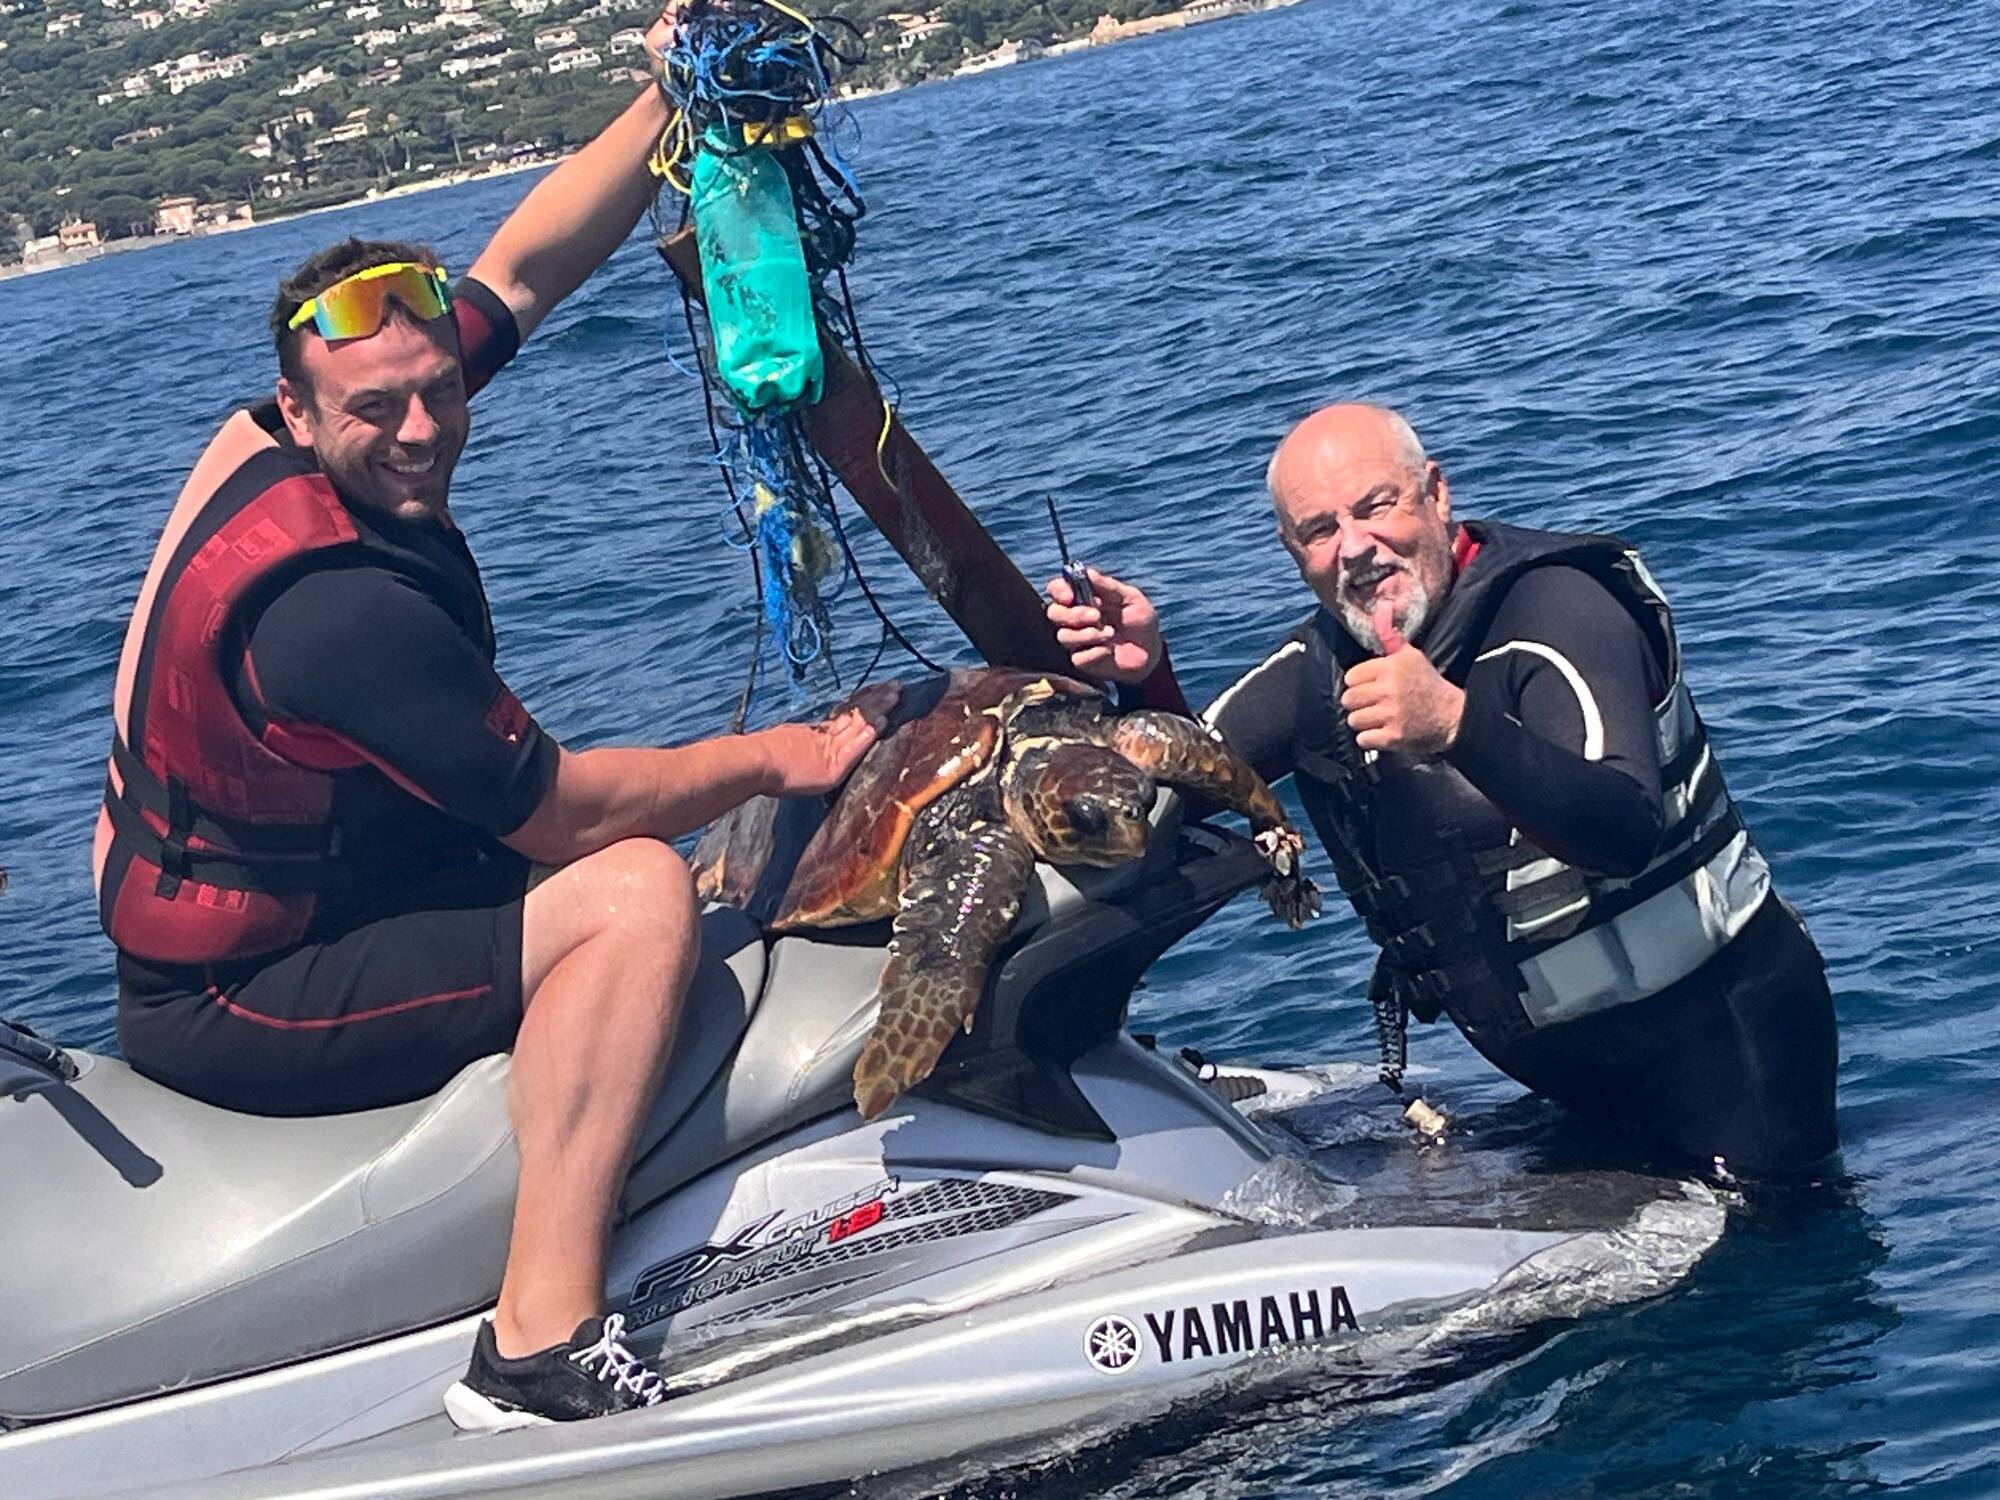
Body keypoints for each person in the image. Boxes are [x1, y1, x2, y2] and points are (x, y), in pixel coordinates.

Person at [93, 34, 888, 1429]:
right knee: (637, 890)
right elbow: (564, 812)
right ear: (299, 409)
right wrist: (796, 752)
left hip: (336, 890)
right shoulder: (336, 610)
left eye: (437, 389)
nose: (421, 428)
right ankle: (538, 1342)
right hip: (242, 997)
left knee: (666, 875)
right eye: (376, 410)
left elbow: (523, 268)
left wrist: (672, 99)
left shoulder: (288, 432)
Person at [1046, 403, 1838, 1177]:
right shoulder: (1314, 674)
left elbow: (1623, 828)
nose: (1356, 547)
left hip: (1735, 1061)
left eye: (1376, 507)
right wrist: (1144, 673)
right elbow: (1192, 783)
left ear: (1436, 493)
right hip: (1573, 1084)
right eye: (1321, 531)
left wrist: (1461, 727)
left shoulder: (1560, 612)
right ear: (1293, 553)